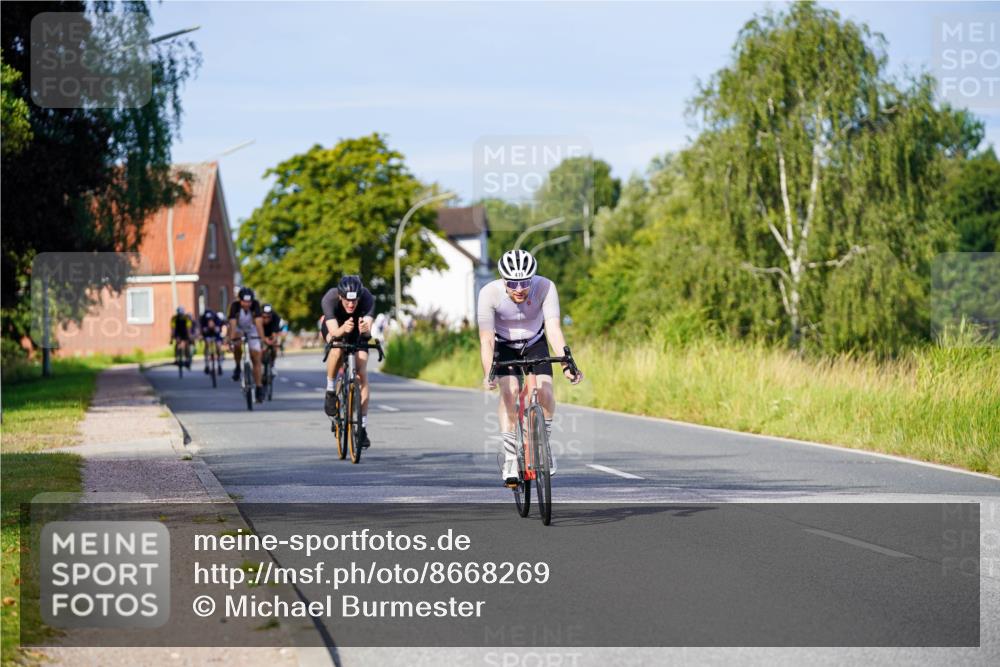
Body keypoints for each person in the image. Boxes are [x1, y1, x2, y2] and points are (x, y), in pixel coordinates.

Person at [478, 249, 583, 486]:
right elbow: (486, 339)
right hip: (503, 346)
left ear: (532, 278)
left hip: (535, 342)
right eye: (512, 283)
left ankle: (543, 444)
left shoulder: (545, 287)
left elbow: (553, 328)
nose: (519, 289)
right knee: (511, 391)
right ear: (503, 280)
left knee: (545, 392)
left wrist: (567, 363)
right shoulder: (488, 294)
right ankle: (511, 458)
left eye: (524, 282)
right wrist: (489, 373)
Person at [321, 275, 376, 448]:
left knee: (361, 372)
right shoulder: (329, 298)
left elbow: (367, 333)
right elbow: (332, 333)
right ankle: (331, 390)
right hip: (336, 328)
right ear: (340, 296)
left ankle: (362, 427)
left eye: (355, 301)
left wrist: (366, 330)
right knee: (336, 349)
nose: (351, 305)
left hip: (357, 333)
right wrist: (342, 330)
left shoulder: (367, 298)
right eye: (347, 301)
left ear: (360, 296)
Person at [227, 287, 266, 403]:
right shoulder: (234, 307)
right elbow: (233, 326)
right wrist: (231, 341)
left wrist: (262, 340)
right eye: (244, 301)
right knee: (237, 345)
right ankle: (238, 366)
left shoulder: (256, 305)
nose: (247, 304)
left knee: (256, 357)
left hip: (252, 329)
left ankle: (259, 387)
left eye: (249, 302)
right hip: (238, 328)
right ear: (240, 300)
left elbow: (259, 324)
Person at [199, 307, 226, 375]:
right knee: (207, 344)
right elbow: (201, 329)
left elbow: (221, 328)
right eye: (209, 322)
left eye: (211, 322)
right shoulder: (204, 320)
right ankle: (207, 365)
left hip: (216, 333)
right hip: (207, 333)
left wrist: (218, 329)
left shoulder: (216, 318)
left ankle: (219, 365)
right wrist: (202, 333)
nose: (210, 323)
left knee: (218, 346)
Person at [261, 304, 282, 377]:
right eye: (264, 317)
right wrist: (263, 339)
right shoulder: (257, 318)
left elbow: (275, 333)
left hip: (270, 334)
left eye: (268, 316)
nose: (266, 318)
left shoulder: (276, 318)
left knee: (274, 347)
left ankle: (272, 364)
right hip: (260, 334)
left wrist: (272, 341)